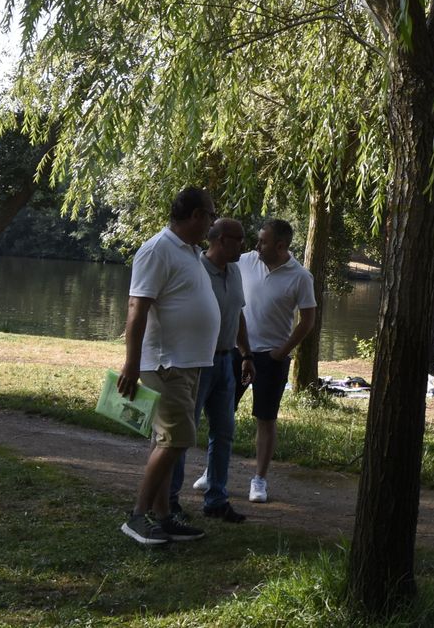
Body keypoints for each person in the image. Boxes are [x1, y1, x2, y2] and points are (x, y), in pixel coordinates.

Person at [118, 186, 221, 545]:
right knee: (177, 439)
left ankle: (163, 516)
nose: (212, 220)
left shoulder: (191, 252)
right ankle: (137, 516)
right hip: (166, 362)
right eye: (210, 213)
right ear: (195, 215)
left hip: (189, 363)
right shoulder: (157, 249)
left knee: (166, 441)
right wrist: (131, 364)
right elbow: (137, 308)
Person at [169, 217, 256, 523]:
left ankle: (216, 499)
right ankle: (169, 501)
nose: (244, 245)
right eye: (240, 239)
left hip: (226, 361)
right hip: (197, 363)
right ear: (220, 240)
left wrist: (246, 354)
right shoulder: (196, 270)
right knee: (182, 433)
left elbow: (238, 313)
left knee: (224, 432)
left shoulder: (235, 272)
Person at [236, 217, 317, 504]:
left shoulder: (300, 276)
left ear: (280, 246)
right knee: (222, 411)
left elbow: (307, 321)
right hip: (238, 350)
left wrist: (282, 352)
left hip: (272, 357)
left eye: (263, 241)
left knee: (266, 418)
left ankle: (259, 480)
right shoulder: (246, 261)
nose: (256, 245)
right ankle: (214, 469)